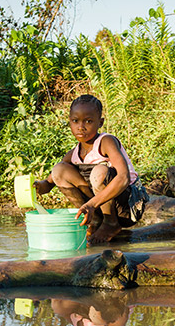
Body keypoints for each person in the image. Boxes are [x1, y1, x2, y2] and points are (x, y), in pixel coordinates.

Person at [34, 94, 149, 244]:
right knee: (59, 170)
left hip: (127, 206)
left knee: (99, 172)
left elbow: (123, 178)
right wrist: (37, 186)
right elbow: (48, 184)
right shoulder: (73, 154)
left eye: (88, 121)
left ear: (100, 122)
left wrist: (92, 204)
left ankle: (110, 223)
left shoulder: (106, 142)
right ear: (69, 122)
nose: (80, 127)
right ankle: (94, 221)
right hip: (96, 207)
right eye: (75, 121)